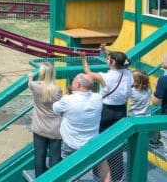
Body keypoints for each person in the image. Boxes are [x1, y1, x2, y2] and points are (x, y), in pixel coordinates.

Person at [82, 50, 132, 180]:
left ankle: (100, 172)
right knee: (117, 142)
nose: (106, 59)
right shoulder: (128, 73)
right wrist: (106, 51)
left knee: (100, 141)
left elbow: (88, 72)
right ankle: (117, 174)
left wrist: (83, 58)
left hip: (105, 111)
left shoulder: (106, 77)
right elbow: (121, 60)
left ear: (112, 62)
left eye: (108, 58)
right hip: (121, 111)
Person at [52, 73, 110, 182]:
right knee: (102, 163)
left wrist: (66, 95)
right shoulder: (98, 98)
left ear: (78, 85)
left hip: (71, 143)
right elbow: (105, 88)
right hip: (92, 143)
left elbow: (55, 108)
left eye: (73, 81)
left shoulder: (68, 100)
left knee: (70, 171)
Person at [27, 63, 62, 177]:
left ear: (41, 73)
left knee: (39, 157)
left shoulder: (36, 86)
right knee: (55, 158)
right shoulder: (57, 89)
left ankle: (40, 178)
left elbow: (30, 83)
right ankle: (54, 178)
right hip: (55, 128)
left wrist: (31, 76)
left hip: (39, 127)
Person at [151, 54, 167, 150]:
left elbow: (155, 101)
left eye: (164, 58)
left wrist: (155, 89)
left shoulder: (163, 80)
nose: (162, 60)